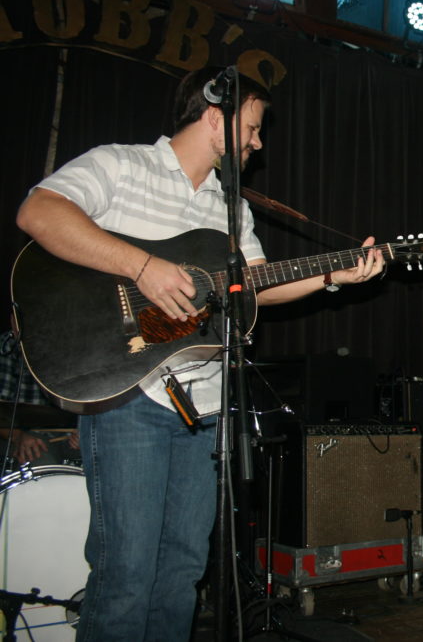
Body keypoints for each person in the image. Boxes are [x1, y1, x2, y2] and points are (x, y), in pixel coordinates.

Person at [14, 66, 385, 642]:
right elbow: (39, 213)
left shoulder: (231, 208)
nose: (258, 143)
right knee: (127, 574)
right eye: (253, 128)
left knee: (184, 570)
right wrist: (142, 266)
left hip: (205, 406)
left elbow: (259, 282)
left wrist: (335, 274)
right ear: (215, 117)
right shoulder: (120, 164)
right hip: (125, 395)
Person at [0, 328, 80, 467]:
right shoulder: (9, 344)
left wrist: (86, 433)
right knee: (42, 464)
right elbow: (2, 410)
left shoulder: (79, 341)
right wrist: (18, 436)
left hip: (73, 433)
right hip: (27, 435)